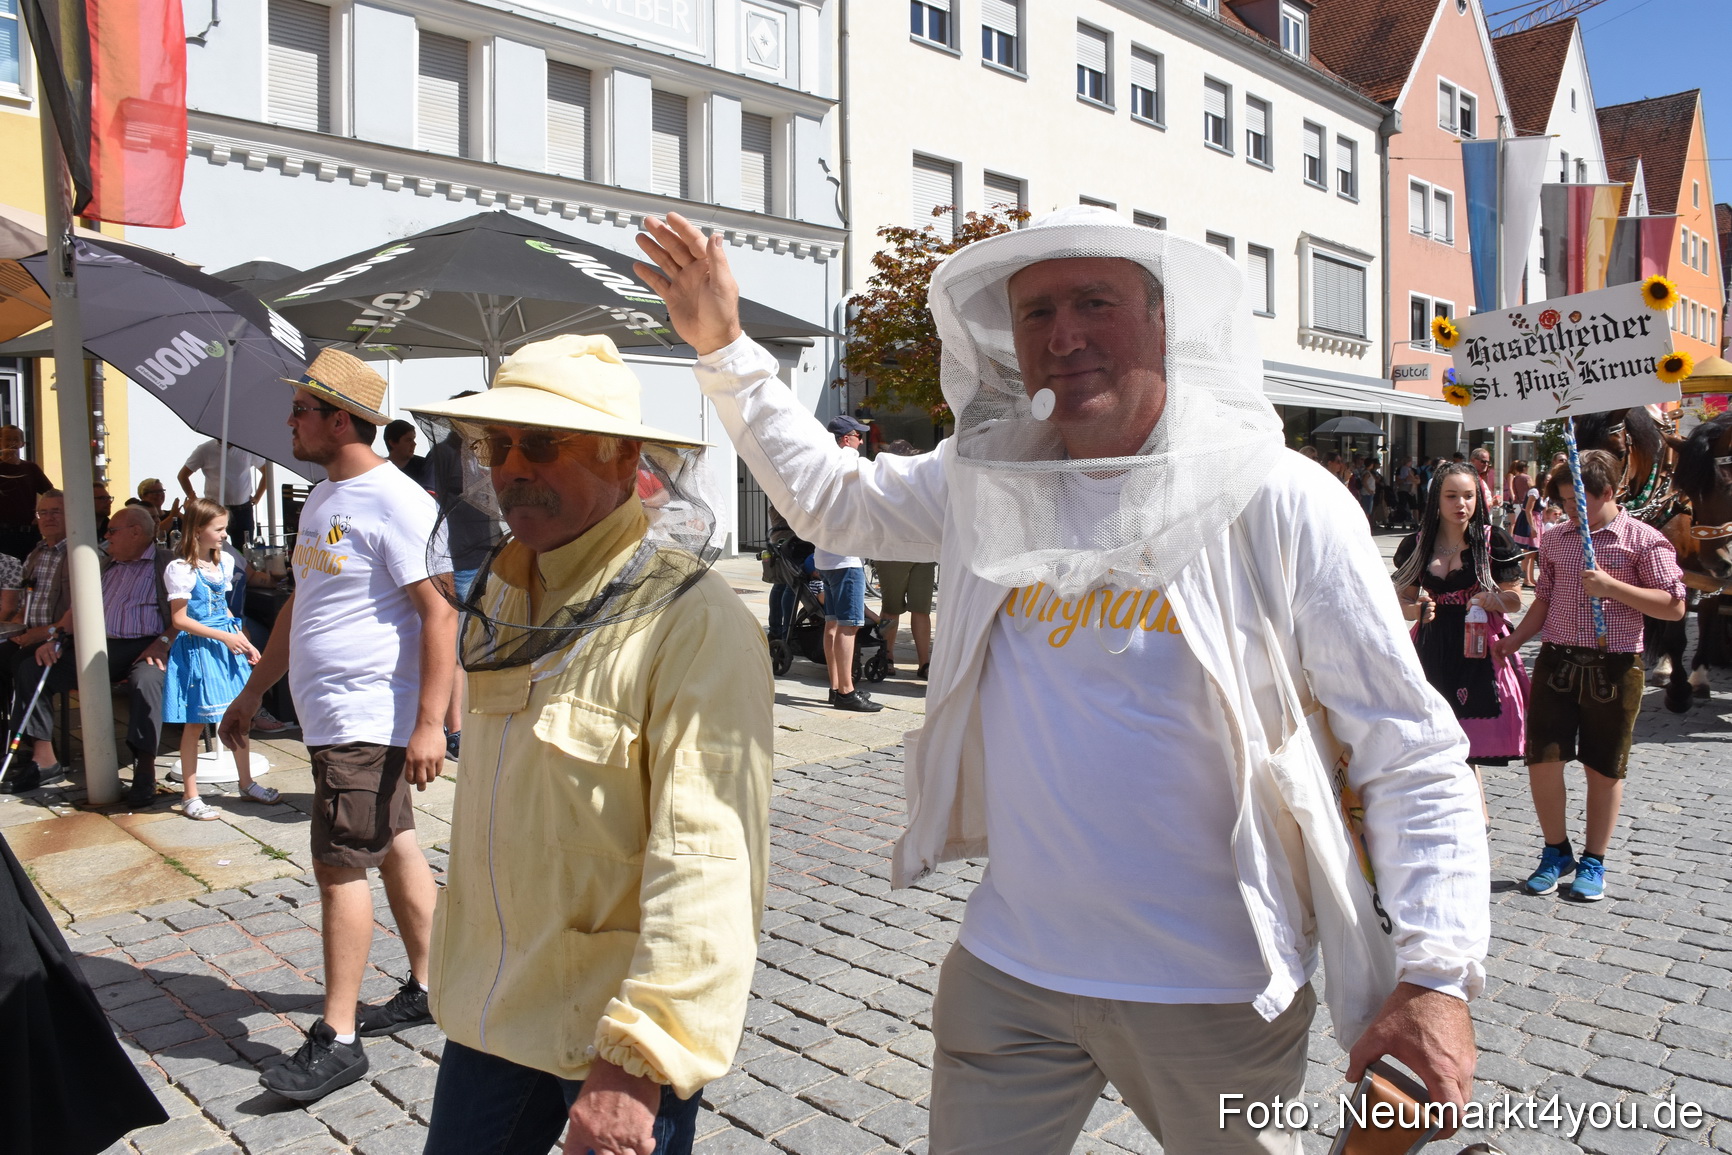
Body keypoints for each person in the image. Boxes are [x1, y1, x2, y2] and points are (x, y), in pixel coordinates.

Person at [637, 207, 1486, 1153]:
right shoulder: (991, 476)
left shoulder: (1278, 498)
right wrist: (724, 346)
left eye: (1094, 302)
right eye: (1035, 312)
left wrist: (1439, 974)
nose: (1063, 334)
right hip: (1012, 973)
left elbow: (1407, 746)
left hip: (1216, 991)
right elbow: (835, 499)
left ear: (1163, 320)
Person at [406, 334, 773, 1155]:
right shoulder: (507, 589)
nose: (511, 468)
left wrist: (642, 1056)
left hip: (610, 1033)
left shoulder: (695, 622)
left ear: (625, 459)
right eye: (497, 445)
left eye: (541, 443)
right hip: (493, 1005)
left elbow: (712, 856)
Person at [218, 349, 455, 1103]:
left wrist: (430, 724)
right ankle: (434, 984)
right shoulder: (323, 496)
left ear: (341, 420)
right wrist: (253, 691)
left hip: (367, 714)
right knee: (394, 843)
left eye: (301, 410)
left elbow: (440, 613)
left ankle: (339, 1036)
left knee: (340, 863)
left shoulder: (398, 500)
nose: (289, 421)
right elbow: (301, 603)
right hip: (330, 714)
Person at [1493, 451, 1686, 903]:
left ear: (1608, 492)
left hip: (1614, 666)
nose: (1570, 511)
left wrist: (1612, 587)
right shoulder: (1557, 539)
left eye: (1578, 501)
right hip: (1557, 662)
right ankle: (1555, 850)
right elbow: (1544, 599)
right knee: (1543, 760)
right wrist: (1515, 640)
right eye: (1564, 502)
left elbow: (1674, 606)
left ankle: (1594, 859)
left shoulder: (1644, 540)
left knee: (1603, 767)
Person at [1392, 465, 1529, 823]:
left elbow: (1515, 599)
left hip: (1477, 643)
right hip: (1432, 642)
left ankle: (1477, 817)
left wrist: (1491, 599)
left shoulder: (1492, 541)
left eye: (1468, 496)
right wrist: (1416, 609)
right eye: (1451, 496)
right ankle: (1438, 811)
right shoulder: (1417, 544)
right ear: (1436, 500)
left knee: (1468, 736)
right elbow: (1401, 599)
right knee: (1432, 733)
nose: (1461, 504)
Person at [163, 498, 281, 820]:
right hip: (200, 648)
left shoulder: (223, 563)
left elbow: (223, 609)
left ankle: (246, 782)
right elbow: (180, 620)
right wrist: (226, 637)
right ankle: (190, 795)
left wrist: (243, 640)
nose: (225, 535)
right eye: (219, 529)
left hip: (225, 644)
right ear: (197, 531)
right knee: (196, 723)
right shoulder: (181, 569)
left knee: (239, 715)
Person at [0, 491, 71, 794]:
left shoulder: (80, 554)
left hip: (62, 638)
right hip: (29, 633)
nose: (48, 518)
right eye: (43, 512)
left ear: (71, 515)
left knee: (28, 665)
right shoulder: (37, 553)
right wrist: (17, 628)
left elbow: (79, 611)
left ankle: (44, 760)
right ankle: (12, 741)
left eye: (56, 511)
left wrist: (43, 634)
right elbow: (23, 603)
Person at [815, 414, 882, 712]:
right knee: (849, 626)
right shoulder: (850, 462)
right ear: (846, 439)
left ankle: (835, 687)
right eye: (857, 435)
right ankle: (847, 691)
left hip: (825, 556)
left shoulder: (823, 466)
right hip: (845, 558)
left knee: (832, 624)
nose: (861, 440)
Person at [873, 440, 936, 679]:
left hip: (919, 550)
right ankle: (889, 657)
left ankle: (920, 662)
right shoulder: (886, 482)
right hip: (898, 551)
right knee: (894, 609)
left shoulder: (919, 480)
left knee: (913, 609)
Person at [179, 438, 266, 548]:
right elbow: (183, 476)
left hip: (242, 510)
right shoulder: (204, 449)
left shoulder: (247, 448)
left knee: (243, 551)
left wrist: (258, 496)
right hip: (214, 510)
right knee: (213, 549)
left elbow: (267, 472)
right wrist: (194, 499)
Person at [0, 425, 51, 562]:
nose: (12, 443)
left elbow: (51, 494)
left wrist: (41, 514)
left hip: (28, 535)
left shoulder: (31, 468)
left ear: (22, 443)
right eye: (8, 439)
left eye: (16, 439)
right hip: (2, 536)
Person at [383, 419, 430, 489]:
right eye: (408, 440)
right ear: (392, 443)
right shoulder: (380, 469)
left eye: (413, 439)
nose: (414, 444)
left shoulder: (425, 467)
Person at [137, 478, 180, 542]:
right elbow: (153, 535)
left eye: (161, 491)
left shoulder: (174, 514)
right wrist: (172, 517)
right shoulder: (139, 518)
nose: (159, 494)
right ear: (143, 496)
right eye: (154, 492)